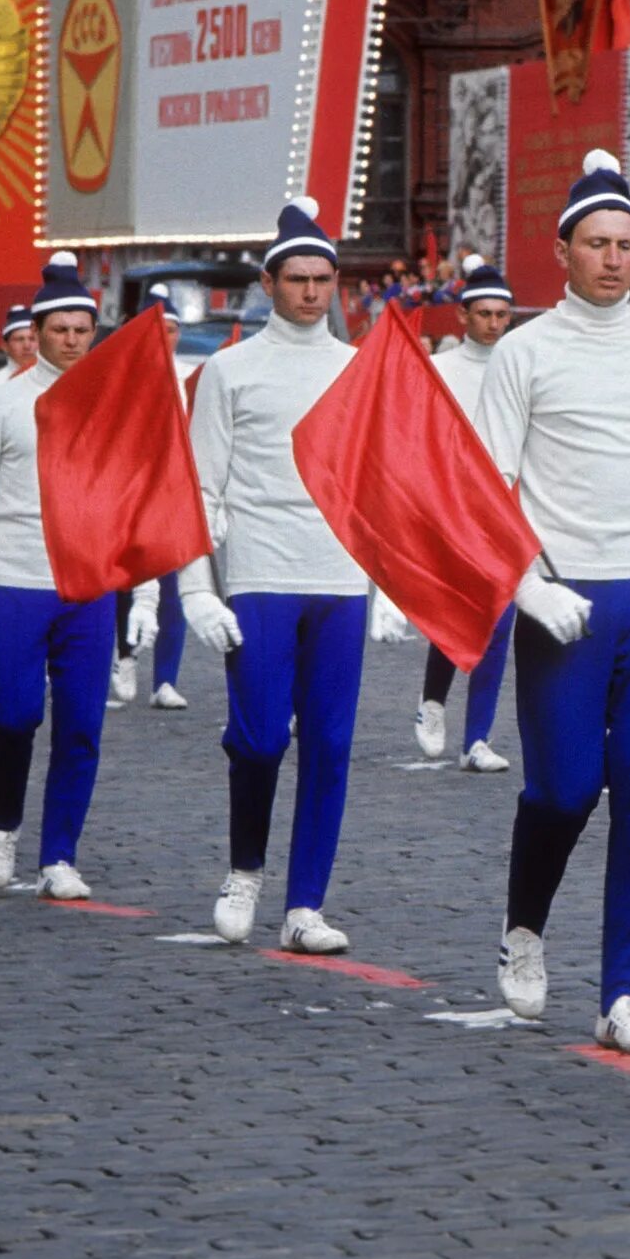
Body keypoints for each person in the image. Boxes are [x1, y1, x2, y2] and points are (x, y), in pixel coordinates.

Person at [480, 151, 630, 1051]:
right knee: (565, 789)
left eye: (626, 244)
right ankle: (524, 929)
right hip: (566, 602)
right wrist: (529, 586)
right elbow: (490, 486)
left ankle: (623, 991)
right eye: (596, 243)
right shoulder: (525, 353)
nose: (613, 259)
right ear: (562, 250)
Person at [187, 199, 413, 955]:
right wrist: (197, 587)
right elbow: (200, 488)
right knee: (255, 739)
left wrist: (385, 586)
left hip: (339, 577)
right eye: (298, 279)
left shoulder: (357, 370)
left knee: (329, 741)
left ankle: (305, 903)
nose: (312, 293)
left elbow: (378, 485)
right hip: (260, 571)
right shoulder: (229, 371)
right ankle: (245, 867)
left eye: (323, 279)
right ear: (270, 282)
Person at [0, 253, 161, 901]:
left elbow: (136, 500)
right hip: (16, 578)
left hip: (89, 585)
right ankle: (2, 825)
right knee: (11, 715)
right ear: (35, 330)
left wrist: (144, 592)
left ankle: (59, 853)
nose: (71, 340)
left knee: (80, 724)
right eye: (60, 329)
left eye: (82, 329)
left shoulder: (113, 403)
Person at [414, 256, 516, 773]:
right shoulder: (442, 371)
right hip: (454, 508)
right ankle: (433, 702)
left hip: (508, 510)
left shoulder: (520, 365)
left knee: (500, 623)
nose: (495, 324)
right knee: (455, 616)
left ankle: (477, 738)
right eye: (485, 314)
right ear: (463, 316)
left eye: (503, 314)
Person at [110, 286, 193, 711]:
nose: (167, 335)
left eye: (174, 328)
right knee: (126, 582)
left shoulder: (188, 379)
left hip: (171, 495)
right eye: (159, 328)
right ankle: (125, 657)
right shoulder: (120, 379)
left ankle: (165, 680)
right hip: (128, 494)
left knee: (171, 585)